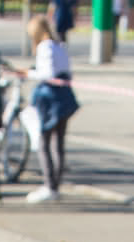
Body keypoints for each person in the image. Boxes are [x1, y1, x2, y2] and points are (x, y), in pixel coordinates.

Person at [21, 13, 76, 204]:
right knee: (58, 143)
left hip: (50, 99)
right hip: (65, 97)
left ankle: (49, 185)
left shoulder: (45, 47)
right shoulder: (59, 45)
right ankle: (55, 185)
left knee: (44, 143)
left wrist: (29, 73)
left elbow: (48, 74)